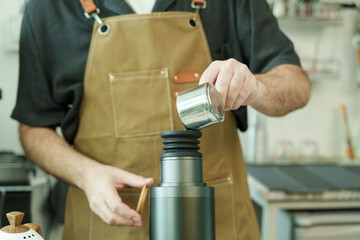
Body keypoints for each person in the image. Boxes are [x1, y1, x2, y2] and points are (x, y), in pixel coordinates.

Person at [12, 0, 310, 239]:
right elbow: (33, 128)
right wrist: (86, 175)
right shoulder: (48, 8)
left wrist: (256, 87)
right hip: (108, 227)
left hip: (219, 224)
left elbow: (296, 85)